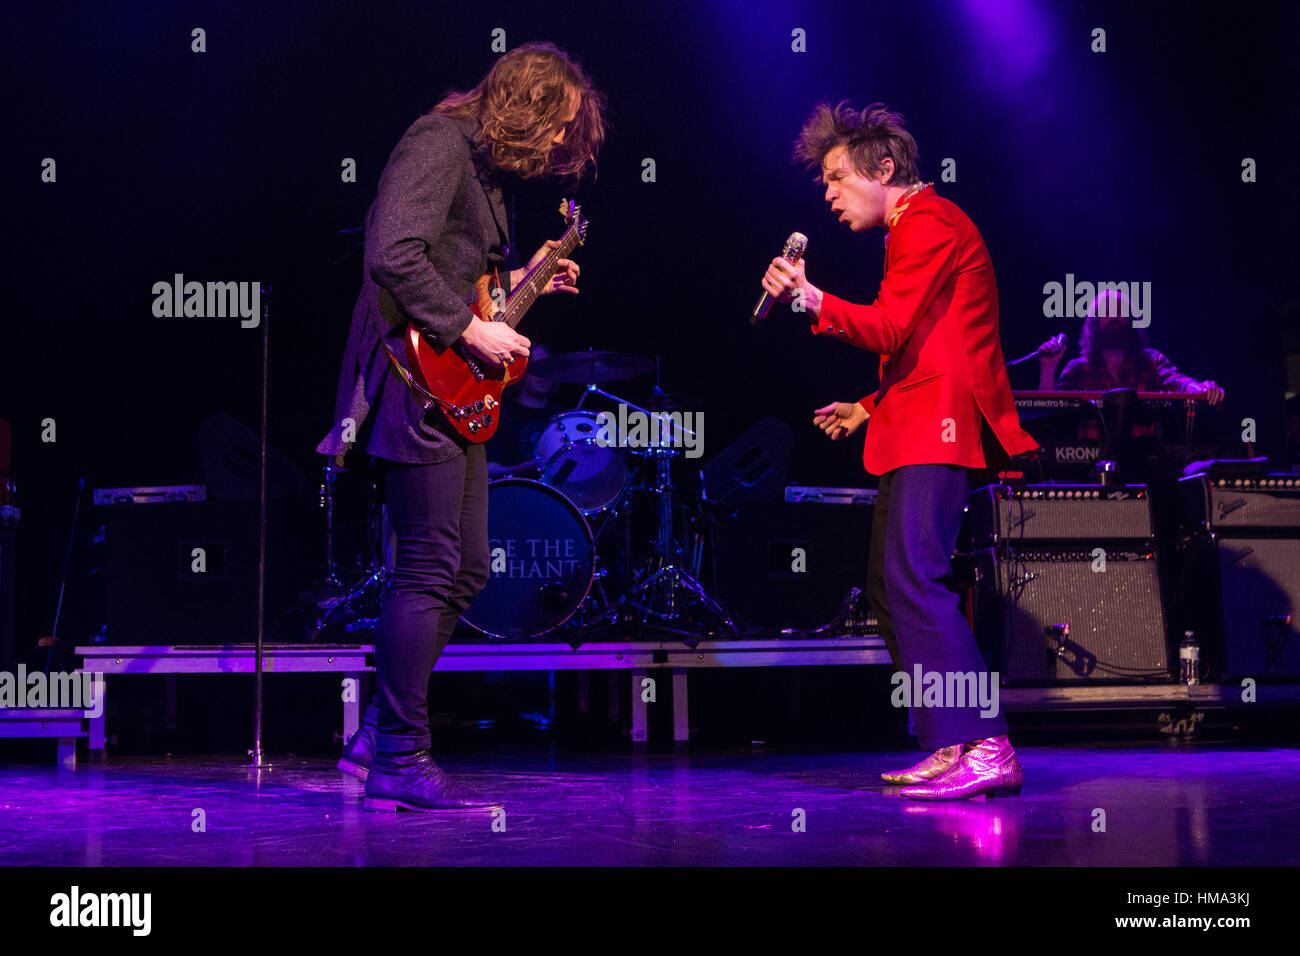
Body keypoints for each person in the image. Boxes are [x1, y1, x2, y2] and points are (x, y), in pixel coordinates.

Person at [315, 43, 605, 811]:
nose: (555, 146)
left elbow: (454, 276)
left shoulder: (482, 170)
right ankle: (401, 760)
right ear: (527, 104)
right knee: (430, 568)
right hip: (414, 379)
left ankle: (380, 734)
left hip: (447, 387)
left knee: (468, 568)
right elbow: (393, 254)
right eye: (556, 127)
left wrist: (522, 281)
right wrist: (472, 333)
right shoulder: (438, 140)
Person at [762, 102, 1038, 800]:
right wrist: (871, 405)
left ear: (883, 169)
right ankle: (952, 740)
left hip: (939, 427)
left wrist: (807, 296)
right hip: (914, 417)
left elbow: (888, 329)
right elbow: (928, 345)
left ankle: (989, 743)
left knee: (917, 578)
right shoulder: (913, 229)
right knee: (892, 588)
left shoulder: (929, 223)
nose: (826, 194)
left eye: (835, 177)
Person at [1037, 289, 1225, 403]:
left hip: (1144, 462)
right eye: (1107, 312)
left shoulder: (1151, 361)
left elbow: (1176, 381)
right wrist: (1048, 367)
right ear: (1094, 323)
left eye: (1121, 312)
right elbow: (1051, 412)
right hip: (1088, 464)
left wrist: (1199, 389)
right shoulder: (1078, 369)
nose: (1115, 318)